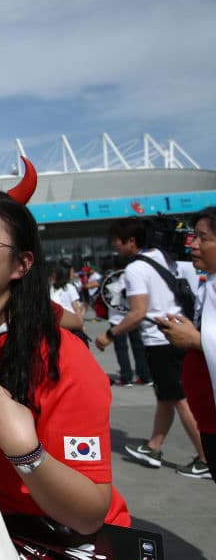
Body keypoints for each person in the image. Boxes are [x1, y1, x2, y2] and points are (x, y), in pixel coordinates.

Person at [0, 160, 130, 536]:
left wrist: (27, 453)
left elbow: (88, 514)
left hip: (52, 540)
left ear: (21, 264)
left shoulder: (62, 358)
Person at [94, 217, 209, 479]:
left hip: (160, 341)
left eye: (118, 244)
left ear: (131, 242)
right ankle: (154, 446)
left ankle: (205, 458)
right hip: (180, 333)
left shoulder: (135, 269)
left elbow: (138, 313)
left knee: (180, 400)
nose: (117, 250)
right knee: (166, 396)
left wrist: (108, 336)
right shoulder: (163, 257)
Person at [153, 206, 216, 481]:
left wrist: (195, 339)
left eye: (203, 238)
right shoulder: (209, 283)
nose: (193, 244)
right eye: (194, 236)